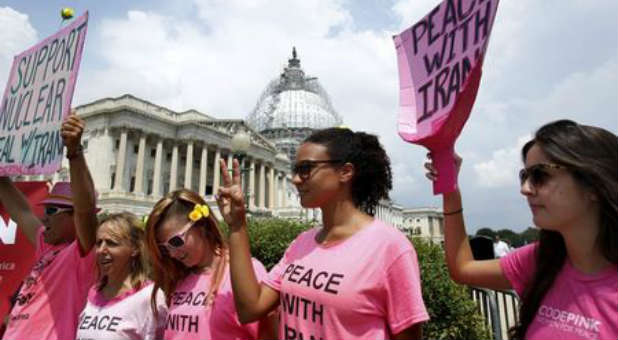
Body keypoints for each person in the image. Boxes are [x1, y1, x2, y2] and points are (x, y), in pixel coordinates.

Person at [218, 127, 429, 340]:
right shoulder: (302, 243)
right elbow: (250, 309)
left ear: (345, 172)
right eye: (296, 169)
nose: (295, 180)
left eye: (306, 169)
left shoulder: (390, 247)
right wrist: (237, 227)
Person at [424, 120, 617, 339]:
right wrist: (450, 188)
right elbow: (463, 268)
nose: (525, 189)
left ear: (592, 184)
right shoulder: (542, 260)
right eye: (524, 176)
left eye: (540, 175)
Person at [0, 113, 98, 340]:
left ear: (75, 218)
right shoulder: (46, 245)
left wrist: (74, 153)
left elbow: (85, 209)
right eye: (45, 211)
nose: (44, 218)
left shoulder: (81, 255)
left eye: (52, 211)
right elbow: (21, 210)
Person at [143, 189, 276, 340]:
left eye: (175, 242)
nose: (172, 254)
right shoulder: (178, 276)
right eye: (165, 248)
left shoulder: (245, 271)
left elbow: (268, 332)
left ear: (201, 225)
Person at [75, 212, 167, 340]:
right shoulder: (94, 292)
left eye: (111, 243)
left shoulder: (151, 296)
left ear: (135, 248)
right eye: (99, 243)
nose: (101, 250)